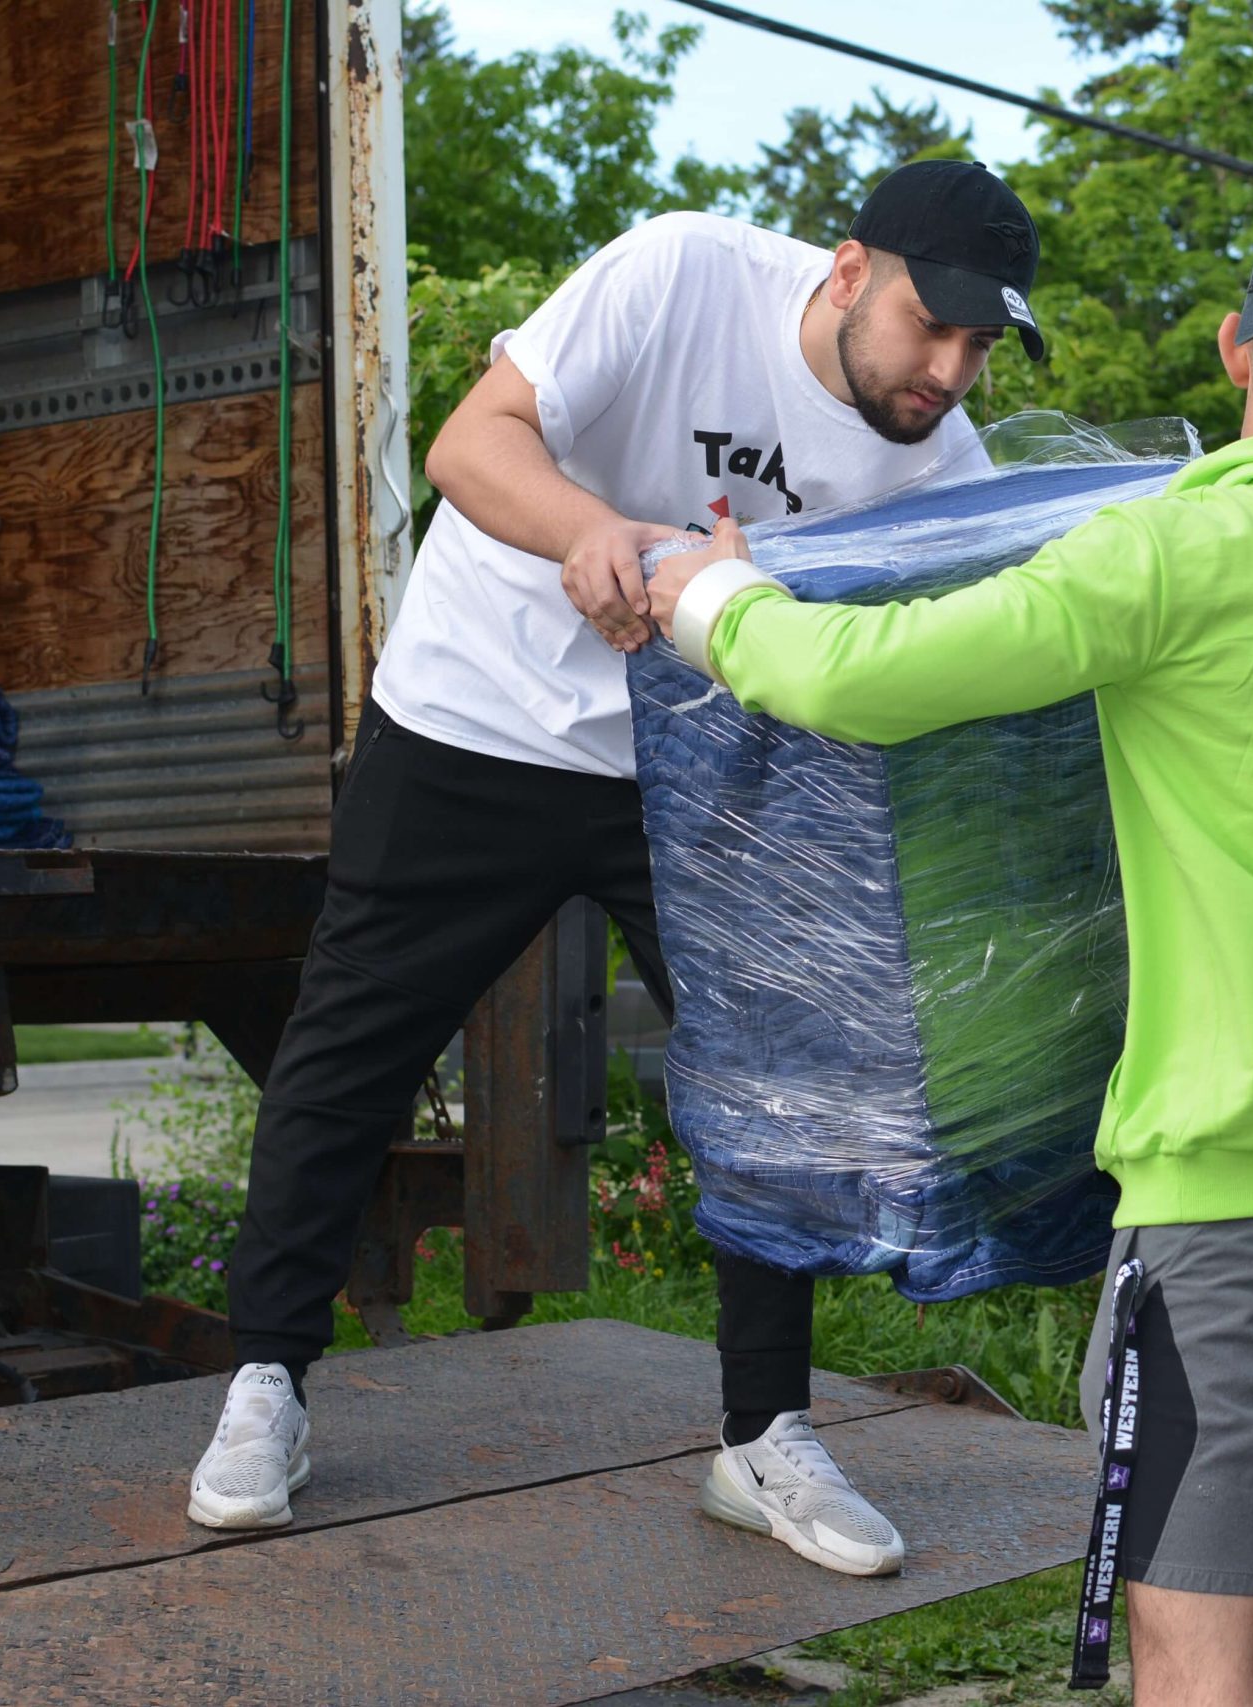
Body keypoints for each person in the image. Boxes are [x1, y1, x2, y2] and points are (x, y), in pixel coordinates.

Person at [646, 190, 1253, 1702]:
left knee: (1199, 1652)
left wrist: (709, 597)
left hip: (1230, 1212)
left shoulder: (1184, 551)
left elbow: (874, 676)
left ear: (1236, 345)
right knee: (1241, 1628)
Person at [185, 162, 1050, 1580]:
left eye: (982, 345)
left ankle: (762, 1435)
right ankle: (265, 1385)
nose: (949, 370)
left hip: (707, 772)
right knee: (348, 1049)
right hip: (480, 712)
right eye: (929, 325)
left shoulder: (945, 463)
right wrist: (590, 527)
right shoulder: (681, 272)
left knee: (766, 1088)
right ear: (846, 271)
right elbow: (471, 447)